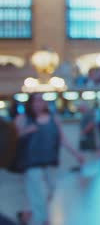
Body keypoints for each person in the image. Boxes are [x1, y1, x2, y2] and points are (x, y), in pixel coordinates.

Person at [15, 93, 85, 225]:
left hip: (49, 160)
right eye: (35, 101)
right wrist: (25, 132)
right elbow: (14, 140)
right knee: (37, 191)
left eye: (41, 101)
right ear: (30, 104)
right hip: (31, 162)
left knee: (51, 190)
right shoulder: (23, 119)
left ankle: (28, 213)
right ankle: (43, 220)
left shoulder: (54, 118)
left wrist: (76, 154)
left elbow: (62, 139)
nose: (38, 104)